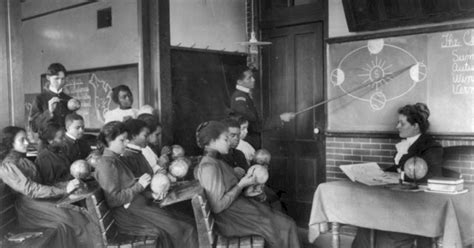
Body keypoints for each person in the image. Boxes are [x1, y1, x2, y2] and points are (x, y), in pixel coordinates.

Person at [195, 120, 301, 248]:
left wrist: (246, 189)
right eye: (225, 139)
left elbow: (226, 190)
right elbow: (217, 206)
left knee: (286, 223)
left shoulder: (216, 162)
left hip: (239, 211)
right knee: (286, 226)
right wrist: (241, 184)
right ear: (212, 141)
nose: (229, 142)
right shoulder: (209, 166)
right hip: (232, 220)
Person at [93, 121, 198, 248]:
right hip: (129, 215)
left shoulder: (116, 159)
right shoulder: (107, 164)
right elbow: (114, 200)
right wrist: (140, 186)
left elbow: (128, 188)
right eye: (122, 140)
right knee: (182, 229)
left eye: (126, 139)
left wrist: (151, 195)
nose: (126, 143)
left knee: (186, 223)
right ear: (109, 141)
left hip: (138, 206)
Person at [352, 103, 443, 248]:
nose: (397, 126)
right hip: (397, 203)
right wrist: (377, 173)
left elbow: (433, 175)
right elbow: (399, 168)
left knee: (379, 232)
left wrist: (399, 177)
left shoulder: (431, 146)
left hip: (416, 209)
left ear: (416, 126)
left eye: (402, 123)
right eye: (397, 122)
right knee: (365, 226)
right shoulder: (404, 145)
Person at [0, 126, 101, 247]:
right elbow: (32, 190)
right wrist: (63, 190)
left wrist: (68, 186)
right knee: (74, 221)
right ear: (10, 143)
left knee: (80, 218)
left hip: (39, 200)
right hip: (29, 207)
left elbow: (41, 184)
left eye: (26, 138)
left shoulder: (23, 160)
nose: (27, 142)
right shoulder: (7, 167)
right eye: (22, 140)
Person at [230, 68, 295, 148]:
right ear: (239, 82)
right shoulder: (239, 97)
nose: (253, 79)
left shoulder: (245, 95)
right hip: (246, 143)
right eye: (249, 78)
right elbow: (254, 125)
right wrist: (280, 118)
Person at [29, 63, 72, 134]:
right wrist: (49, 112)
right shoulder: (39, 98)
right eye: (56, 78)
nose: (60, 82)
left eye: (63, 79)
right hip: (47, 143)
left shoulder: (69, 99)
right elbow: (33, 127)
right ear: (48, 78)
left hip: (64, 142)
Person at [35, 122, 71, 186]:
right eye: (61, 138)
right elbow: (48, 183)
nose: (65, 139)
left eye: (64, 136)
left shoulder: (61, 150)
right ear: (50, 140)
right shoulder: (44, 157)